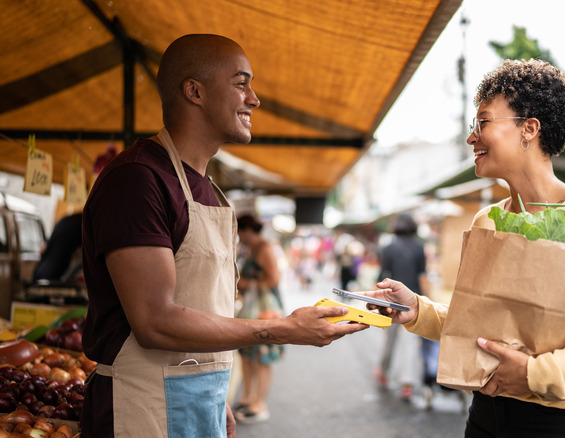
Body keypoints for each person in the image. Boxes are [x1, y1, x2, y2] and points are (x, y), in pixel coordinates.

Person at [80, 34, 367, 438]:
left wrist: (215, 394)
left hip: (199, 394)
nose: (255, 98)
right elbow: (155, 321)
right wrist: (284, 329)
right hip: (141, 406)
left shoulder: (207, 189)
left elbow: (198, 304)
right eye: (241, 83)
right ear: (194, 91)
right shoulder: (137, 180)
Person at [365, 59, 565, 437]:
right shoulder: (486, 221)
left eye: (483, 122)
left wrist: (538, 374)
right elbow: (481, 326)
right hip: (488, 416)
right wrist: (417, 309)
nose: (472, 137)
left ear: (529, 129)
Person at [233, 215, 284, 423]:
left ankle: (259, 403)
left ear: (247, 230)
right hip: (253, 308)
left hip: (265, 308)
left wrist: (246, 283)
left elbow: (274, 279)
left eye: (239, 231)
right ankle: (249, 397)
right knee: (247, 354)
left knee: (262, 356)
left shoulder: (263, 248)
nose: (238, 236)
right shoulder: (252, 248)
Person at [373, 213, 427, 402]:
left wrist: (375, 302)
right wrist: (429, 300)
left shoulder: (388, 248)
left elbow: (381, 276)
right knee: (410, 343)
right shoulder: (420, 248)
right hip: (414, 300)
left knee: (390, 339)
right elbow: (422, 277)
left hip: (392, 301)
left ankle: (383, 372)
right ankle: (407, 384)